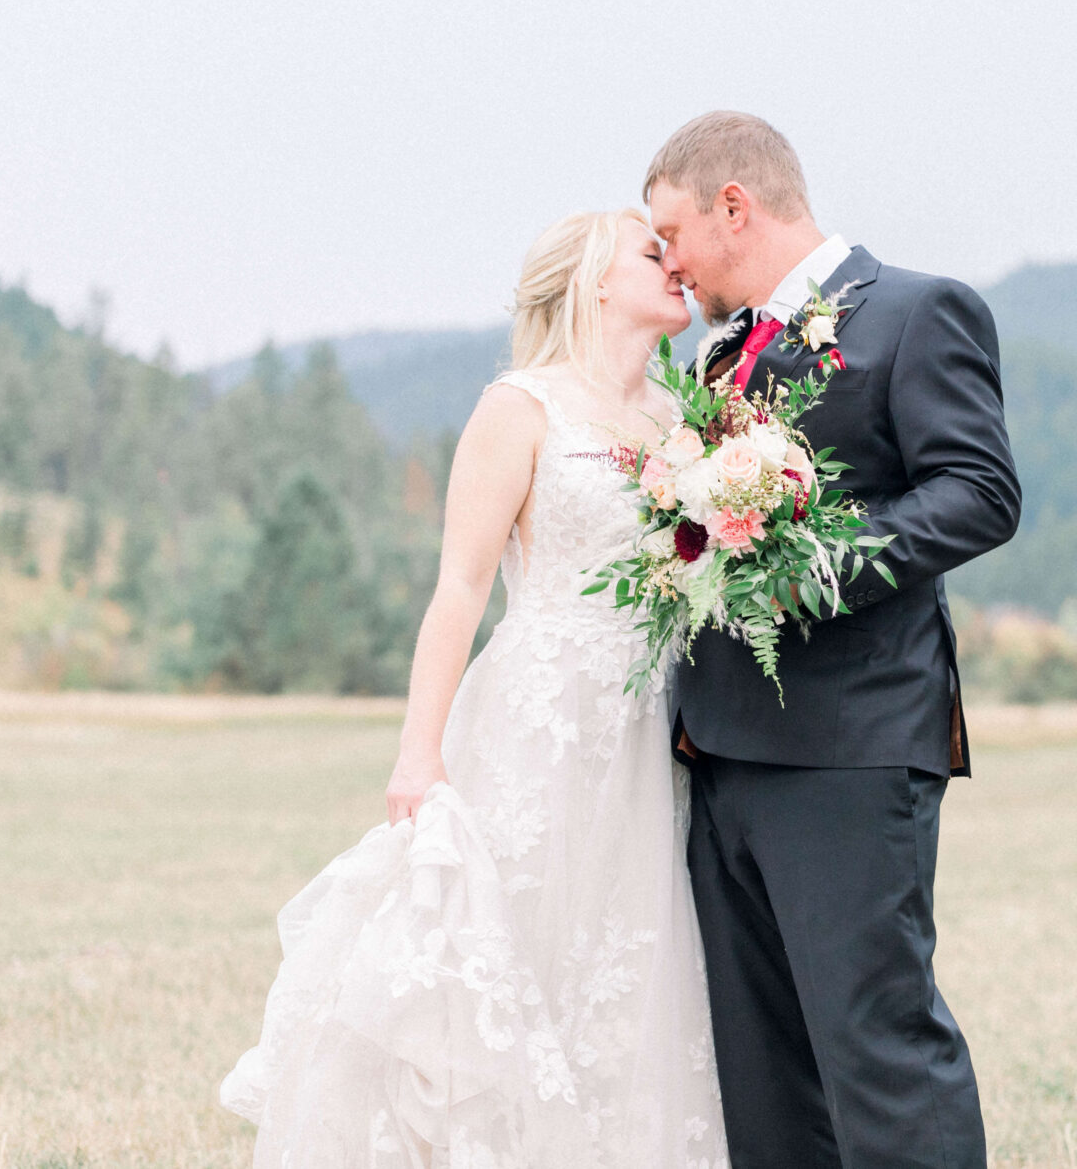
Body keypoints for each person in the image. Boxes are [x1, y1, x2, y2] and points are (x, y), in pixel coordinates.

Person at [221, 210, 728, 1168]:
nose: (677, 265)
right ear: (594, 279)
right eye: (651, 252)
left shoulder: (680, 419)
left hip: (650, 722)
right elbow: (459, 587)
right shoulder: (521, 407)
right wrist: (420, 749)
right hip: (540, 715)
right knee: (511, 951)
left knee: (629, 963)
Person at [644, 110, 1020, 1169]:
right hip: (720, 750)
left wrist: (814, 570)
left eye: (671, 232)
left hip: (851, 747)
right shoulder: (718, 356)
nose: (666, 262)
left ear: (734, 207)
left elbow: (980, 495)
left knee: (875, 1046)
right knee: (763, 1070)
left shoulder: (912, 312)